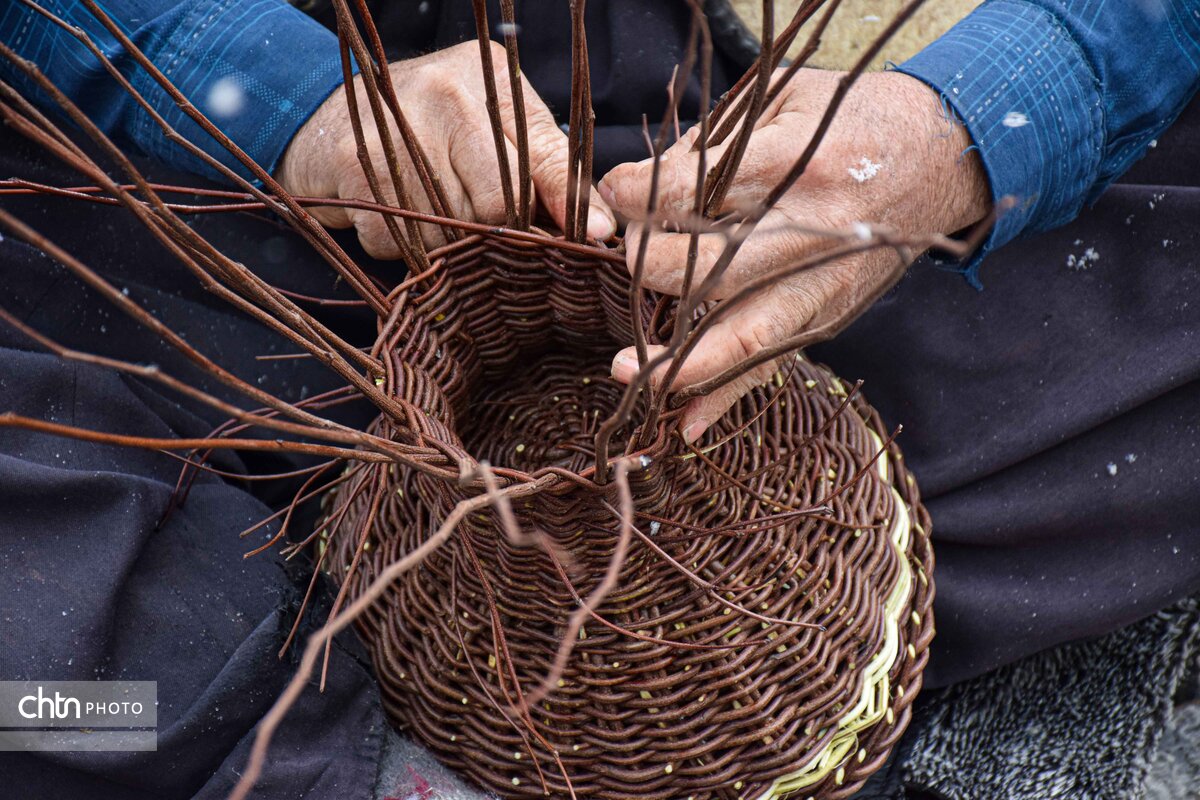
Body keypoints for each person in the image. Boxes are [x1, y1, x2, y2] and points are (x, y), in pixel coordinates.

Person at [1, 1, 1198, 799]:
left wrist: (974, 126)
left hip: (579, 125)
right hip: (177, 251)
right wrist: (275, 91)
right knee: (63, 696)